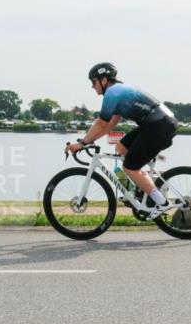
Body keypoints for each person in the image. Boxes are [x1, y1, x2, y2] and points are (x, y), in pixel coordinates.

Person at [66, 62, 179, 218]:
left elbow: (101, 123)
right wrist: (88, 140)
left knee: (130, 167)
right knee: (120, 148)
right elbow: (108, 127)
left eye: (94, 82)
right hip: (157, 124)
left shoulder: (113, 93)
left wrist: (82, 143)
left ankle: (162, 202)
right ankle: (140, 189)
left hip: (159, 126)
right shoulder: (119, 91)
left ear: (104, 80)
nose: (93, 87)